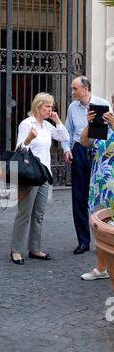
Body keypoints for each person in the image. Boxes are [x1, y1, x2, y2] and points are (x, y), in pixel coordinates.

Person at [10, 92, 69, 265]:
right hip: (30, 174)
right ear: (38, 106)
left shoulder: (48, 126)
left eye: (52, 107)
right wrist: (28, 139)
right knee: (24, 213)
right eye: (48, 107)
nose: (51, 109)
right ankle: (15, 250)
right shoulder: (26, 124)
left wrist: (57, 120)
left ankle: (34, 248)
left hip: (45, 174)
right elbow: (18, 149)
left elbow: (65, 137)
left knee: (39, 214)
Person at [62, 76, 112, 255]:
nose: (73, 92)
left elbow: (111, 130)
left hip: (100, 151)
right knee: (79, 197)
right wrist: (67, 149)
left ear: (85, 88)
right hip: (80, 150)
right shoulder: (72, 107)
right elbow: (67, 131)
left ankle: (105, 237)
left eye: (75, 88)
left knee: (101, 195)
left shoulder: (103, 103)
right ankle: (83, 240)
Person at [79, 108, 114, 280]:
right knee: (99, 226)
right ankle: (102, 268)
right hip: (99, 184)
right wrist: (89, 124)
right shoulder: (104, 126)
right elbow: (84, 142)